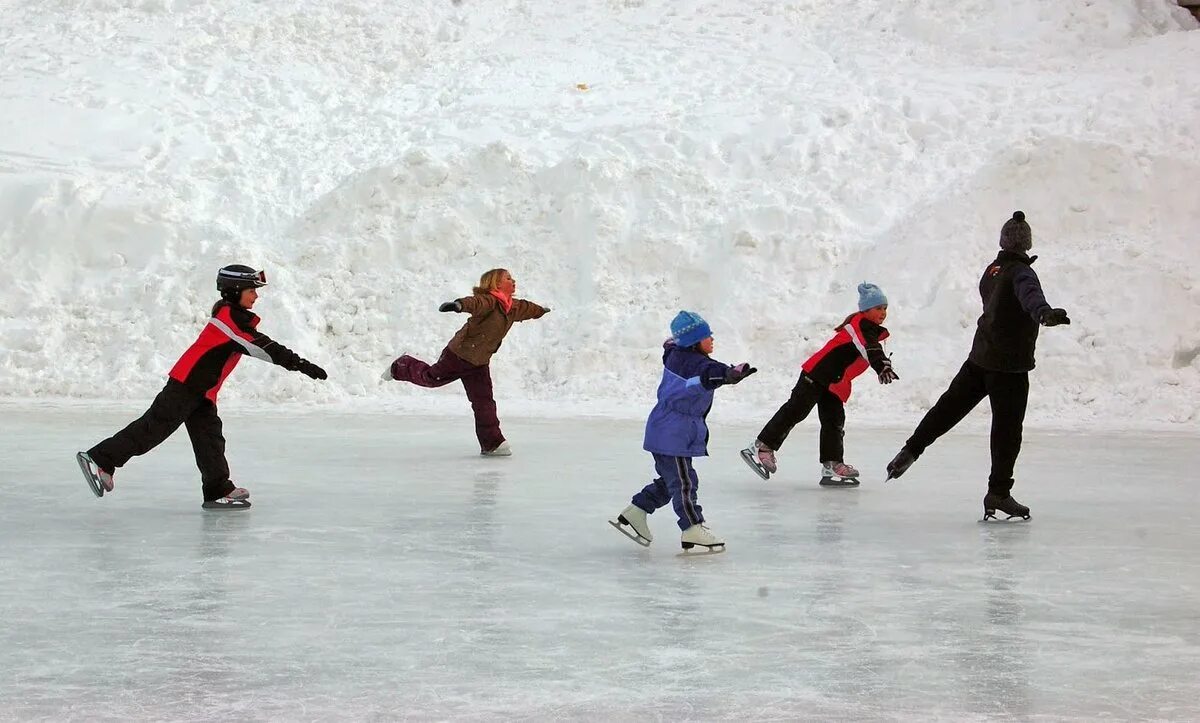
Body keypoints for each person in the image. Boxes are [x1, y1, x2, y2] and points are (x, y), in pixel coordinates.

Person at [75, 265, 329, 509]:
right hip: (186, 386)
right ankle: (100, 459)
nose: (256, 295)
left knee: (209, 440)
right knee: (152, 429)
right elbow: (263, 347)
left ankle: (218, 490)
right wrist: (302, 364)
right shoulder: (228, 323)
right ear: (235, 290)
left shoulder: (233, 319)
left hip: (202, 391)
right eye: (252, 289)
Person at [885, 211, 1071, 521]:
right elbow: (1030, 297)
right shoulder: (1021, 273)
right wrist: (1044, 314)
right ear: (1026, 243)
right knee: (1007, 433)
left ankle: (912, 449)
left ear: (1003, 241)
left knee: (947, 409)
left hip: (979, 358)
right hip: (1008, 368)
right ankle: (998, 491)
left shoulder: (993, 270)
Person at [610, 311, 757, 554]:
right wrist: (730, 375)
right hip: (672, 432)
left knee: (673, 482)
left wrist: (727, 373)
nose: (712, 339)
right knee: (684, 483)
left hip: (668, 430)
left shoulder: (677, 355)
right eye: (706, 336)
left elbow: (677, 351)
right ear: (694, 342)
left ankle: (636, 511)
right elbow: (709, 372)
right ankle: (692, 527)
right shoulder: (692, 364)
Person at [740, 283, 899, 486]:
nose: (883, 312)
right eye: (878, 308)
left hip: (834, 382)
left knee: (834, 421)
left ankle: (832, 464)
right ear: (865, 310)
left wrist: (883, 365)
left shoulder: (869, 329)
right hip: (817, 374)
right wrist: (881, 365)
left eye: (885, 308)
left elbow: (871, 347)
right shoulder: (859, 325)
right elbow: (869, 348)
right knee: (796, 410)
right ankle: (761, 447)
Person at [382, 268, 549, 456]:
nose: (513, 280)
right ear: (495, 284)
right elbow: (475, 303)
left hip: (479, 363)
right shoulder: (489, 301)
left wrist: (540, 311)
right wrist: (458, 305)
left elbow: (527, 308)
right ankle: (401, 366)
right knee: (431, 378)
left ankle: (492, 443)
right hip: (459, 355)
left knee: (484, 402)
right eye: (508, 278)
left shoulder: (513, 307)